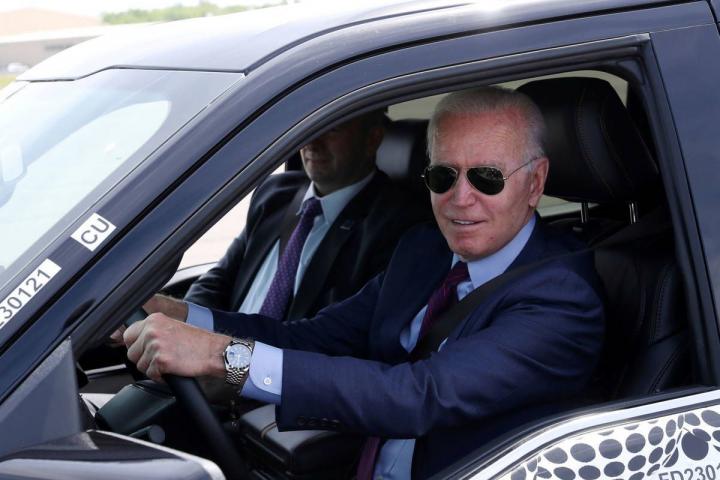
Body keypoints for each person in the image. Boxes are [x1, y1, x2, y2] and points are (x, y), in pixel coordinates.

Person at [123, 87, 605, 479]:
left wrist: (221, 358)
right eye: (443, 176)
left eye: (487, 177)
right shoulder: (424, 250)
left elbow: (416, 396)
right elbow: (312, 336)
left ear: (535, 183)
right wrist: (184, 316)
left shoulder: (561, 298)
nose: (461, 198)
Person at [182, 110, 428, 322]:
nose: (312, 141)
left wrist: (224, 350)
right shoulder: (274, 193)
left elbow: (332, 336)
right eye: (311, 125)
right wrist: (184, 324)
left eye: (332, 129)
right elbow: (217, 280)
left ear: (372, 139)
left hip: (271, 359)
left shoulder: (397, 226)